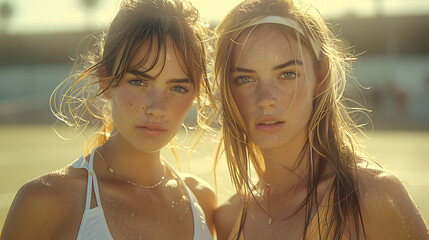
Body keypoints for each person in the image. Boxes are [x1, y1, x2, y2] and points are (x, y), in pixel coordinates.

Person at [211, 0, 429, 239]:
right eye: (244, 78)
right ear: (226, 89)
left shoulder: (371, 196)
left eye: (287, 74)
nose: (266, 99)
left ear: (320, 77)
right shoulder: (228, 218)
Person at [1, 0, 216, 239]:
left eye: (178, 88)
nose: (157, 108)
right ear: (105, 80)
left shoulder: (203, 201)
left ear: (197, 94)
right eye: (138, 82)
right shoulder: (46, 200)